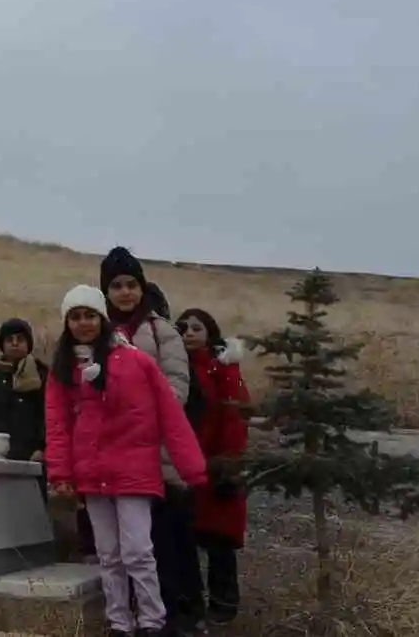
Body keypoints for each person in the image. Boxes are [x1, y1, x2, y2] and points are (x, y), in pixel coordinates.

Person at [46, 285, 208, 637]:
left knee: (138, 551)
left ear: (102, 318)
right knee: (109, 555)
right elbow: (57, 422)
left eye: (89, 315)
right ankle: (120, 622)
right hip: (92, 473)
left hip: (134, 471)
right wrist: (61, 472)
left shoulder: (136, 360)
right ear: (66, 323)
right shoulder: (63, 368)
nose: (83, 323)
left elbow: (170, 415)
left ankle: (152, 620)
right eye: (75, 316)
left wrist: (191, 467)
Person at [101, 246, 200, 634]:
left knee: (165, 541)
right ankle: (130, 617)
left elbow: (177, 388)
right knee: (121, 546)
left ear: (142, 287)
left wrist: (139, 415)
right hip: (114, 454)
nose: (125, 293)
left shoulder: (162, 331)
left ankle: (177, 617)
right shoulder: (99, 332)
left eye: (131, 284)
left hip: (157, 451)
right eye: (116, 286)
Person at [177, 307, 251, 625]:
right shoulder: (175, 368)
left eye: (197, 328)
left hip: (218, 465)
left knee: (219, 539)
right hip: (183, 464)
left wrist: (227, 463)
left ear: (210, 333)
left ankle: (223, 605)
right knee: (185, 539)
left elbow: (235, 417)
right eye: (184, 328)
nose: (190, 333)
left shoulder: (223, 370)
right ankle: (190, 606)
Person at [0, 318, 48, 464]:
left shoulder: (41, 376)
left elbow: (47, 414)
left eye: (20, 339)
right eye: (10, 339)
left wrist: (41, 447)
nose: (15, 343)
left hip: (32, 455)